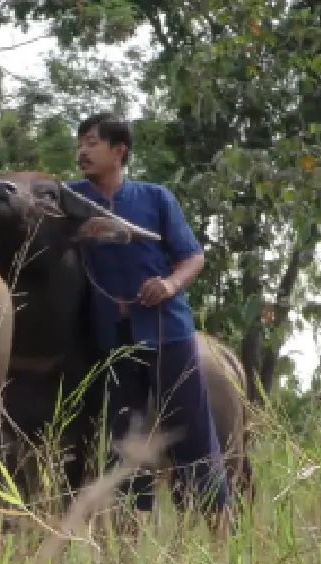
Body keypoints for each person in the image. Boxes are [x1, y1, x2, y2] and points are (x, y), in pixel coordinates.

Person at [65, 112, 232, 534]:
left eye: (92, 142)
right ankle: (128, 548)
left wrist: (170, 284)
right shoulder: (70, 200)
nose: (82, 151)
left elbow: (193, 256)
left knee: (193, 431)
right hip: (112, 338)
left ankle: (222, 536)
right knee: (125, 438)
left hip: (166, 330)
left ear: (119, 151)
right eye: (80, 143)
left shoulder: (156, 198)